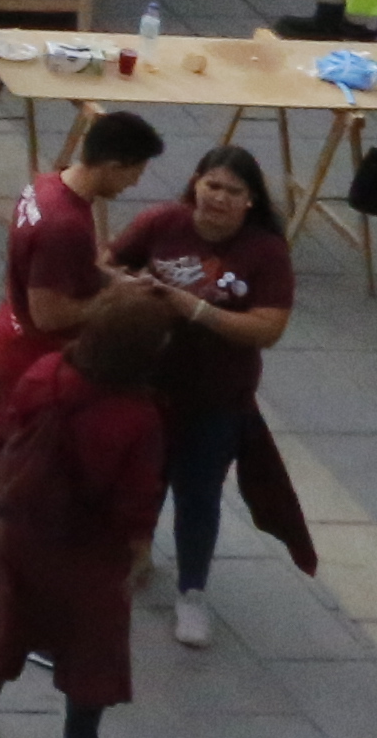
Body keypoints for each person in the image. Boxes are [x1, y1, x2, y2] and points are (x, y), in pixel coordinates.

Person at [0, 292, 176, 738]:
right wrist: (138, 549)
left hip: (18, 533)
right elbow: (137, 496)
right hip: (88, 550)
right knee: (91, 650)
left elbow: (11, 426)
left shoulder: (45, 373)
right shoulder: (137, 417)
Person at [114, 143, 296, 646]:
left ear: (251, 201)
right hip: (147, 388)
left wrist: (192, 309)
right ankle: (134, 559)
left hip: (217, 398)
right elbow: (108, 263)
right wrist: (132, 287)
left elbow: (268, 327)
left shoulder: (265, 252)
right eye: (211, 184)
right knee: (138, 482)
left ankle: (192, 591)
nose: (218, 197)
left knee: (199, 494)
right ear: (195, 183)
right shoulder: (161, 223)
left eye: (232, 191)